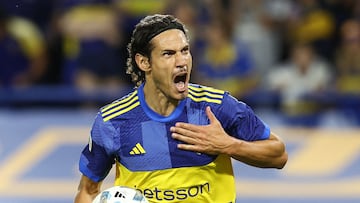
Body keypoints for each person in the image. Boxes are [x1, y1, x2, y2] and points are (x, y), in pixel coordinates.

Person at [74, 14, 288, 203]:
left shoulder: (217, 107)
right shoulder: (113, 122)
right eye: (168, 54)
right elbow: (88, 190)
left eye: (185, 51)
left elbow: (278, 155)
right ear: (144, 62)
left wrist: (228, 145)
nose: (182, 61)